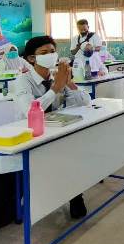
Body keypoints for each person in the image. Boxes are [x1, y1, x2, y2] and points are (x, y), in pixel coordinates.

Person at [11, 35, 91, 219]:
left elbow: (85, 102)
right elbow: (29, 111)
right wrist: (55, 89)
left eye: (53, 51)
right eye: (44, 53)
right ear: (32, 58)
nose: (51, 55)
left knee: (78, 147)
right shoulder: (23, 81)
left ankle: (74, 193)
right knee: (67, 154)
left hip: (54, 130)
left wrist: (68, 82)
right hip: (30, 136)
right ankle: (70, 195)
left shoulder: (57, 76)